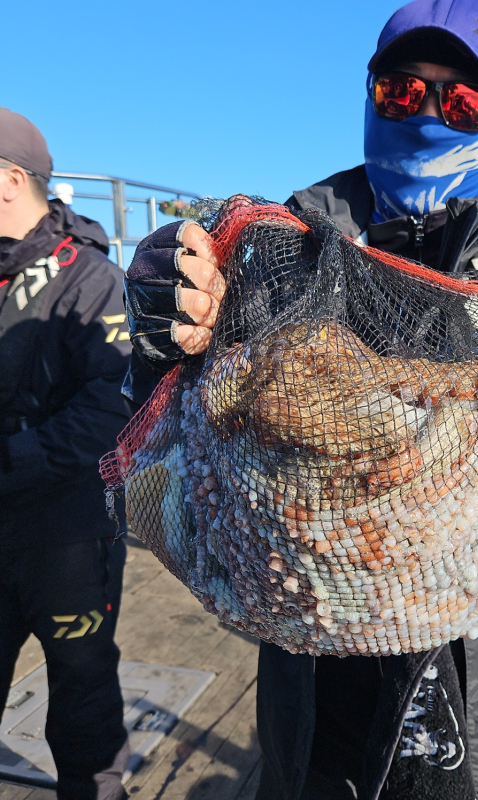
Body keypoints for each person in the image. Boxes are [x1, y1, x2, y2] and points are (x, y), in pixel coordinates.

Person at [122, 1, 478, 797]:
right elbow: (167, 451)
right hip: (321, 682)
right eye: (402, 91)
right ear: (369, 93)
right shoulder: (282, 256)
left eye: (462, 100)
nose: (429, 114)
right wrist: (161, 341)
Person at [0, 108, 132, 800]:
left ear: (10, 180)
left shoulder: (92, 281)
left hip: (69, 539)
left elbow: (109, 408)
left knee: (83, 709)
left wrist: (9, 462)